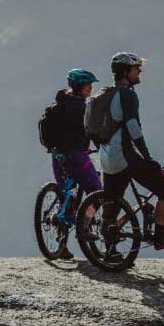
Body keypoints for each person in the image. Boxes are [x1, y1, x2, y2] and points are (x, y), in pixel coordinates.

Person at [98, 52, 164, 251]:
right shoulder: (127, 94)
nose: (140, 71)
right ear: (126, 72)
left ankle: (109, 252)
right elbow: (133, 127)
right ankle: (160, 237)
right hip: (125, 157)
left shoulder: (104, 94)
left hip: (106, 158)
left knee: (111, 206)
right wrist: (148, 157)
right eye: (137, 68)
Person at [51, 68, 104, 259]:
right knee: (97, 192)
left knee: (66, 195)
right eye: (89, 84)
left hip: (58, 155)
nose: (91, 87)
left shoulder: (59, 104)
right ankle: (85, 227)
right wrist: (103, 146)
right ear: (81, 87)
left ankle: (61, 245)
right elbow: (92, 132)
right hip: (76, 156)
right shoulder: (81, 107)